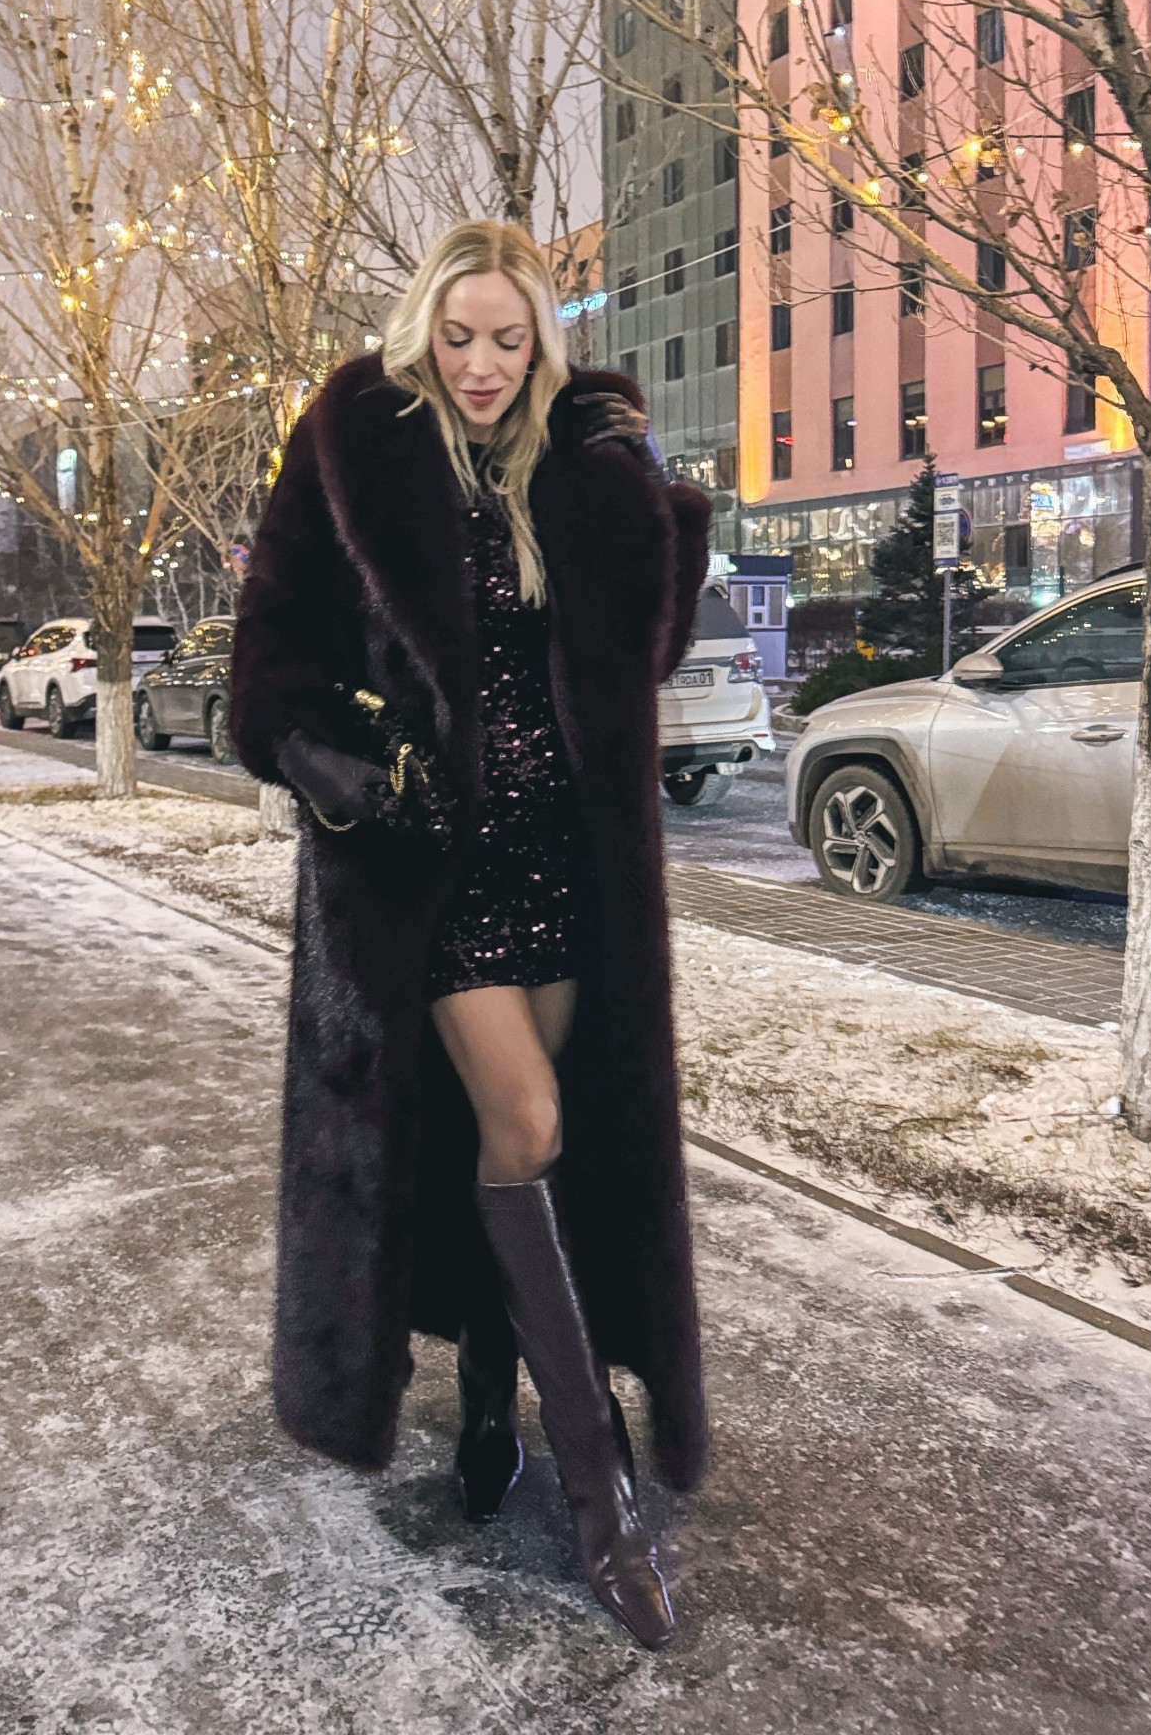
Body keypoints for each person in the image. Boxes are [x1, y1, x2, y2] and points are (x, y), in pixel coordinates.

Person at [229, 220, 711, 1648]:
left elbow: (653, 651)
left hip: (568, 862)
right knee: (530, 1114)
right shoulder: (350, 444)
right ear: (424, 328)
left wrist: (642, 489)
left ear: (541, 342)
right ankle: (598, 1487)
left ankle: (493, 1393)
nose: (485, 363)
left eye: (512, 338)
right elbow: (268, 665)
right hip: (428, 871)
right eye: (462, 335)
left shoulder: (570, 463)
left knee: (521, 1156)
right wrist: (320, 763)